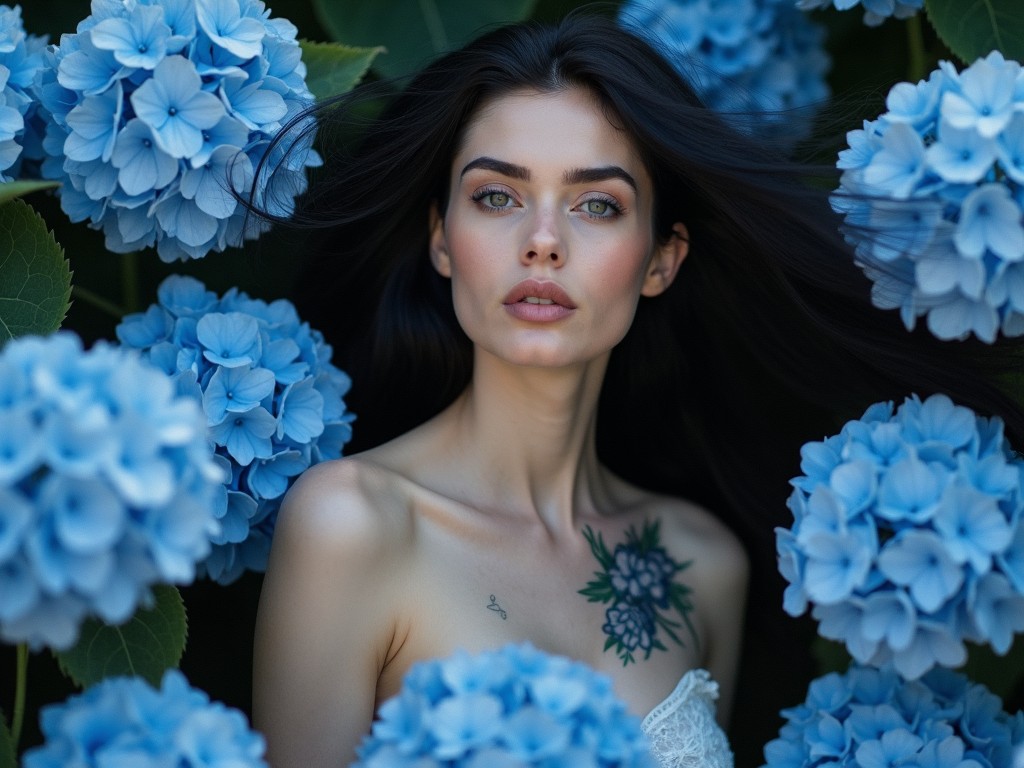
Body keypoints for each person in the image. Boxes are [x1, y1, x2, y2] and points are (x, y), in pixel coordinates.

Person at [251, 12, 1024, 768]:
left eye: (598, 204)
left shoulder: (702, 563)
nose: (544, 239)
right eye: (497, 196)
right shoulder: (350, 524)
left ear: (662, 260)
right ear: (441, 239)